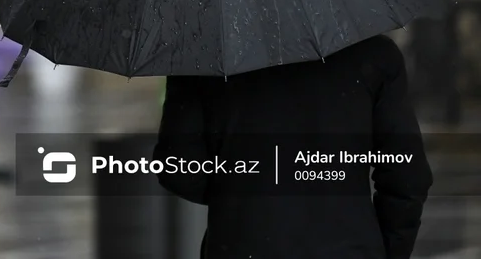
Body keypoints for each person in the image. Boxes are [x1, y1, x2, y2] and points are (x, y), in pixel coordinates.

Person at [153, 35, 433, 259]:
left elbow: (178, 169)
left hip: (242, 246)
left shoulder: (202, 56)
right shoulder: (372, 53)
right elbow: (408, 176)